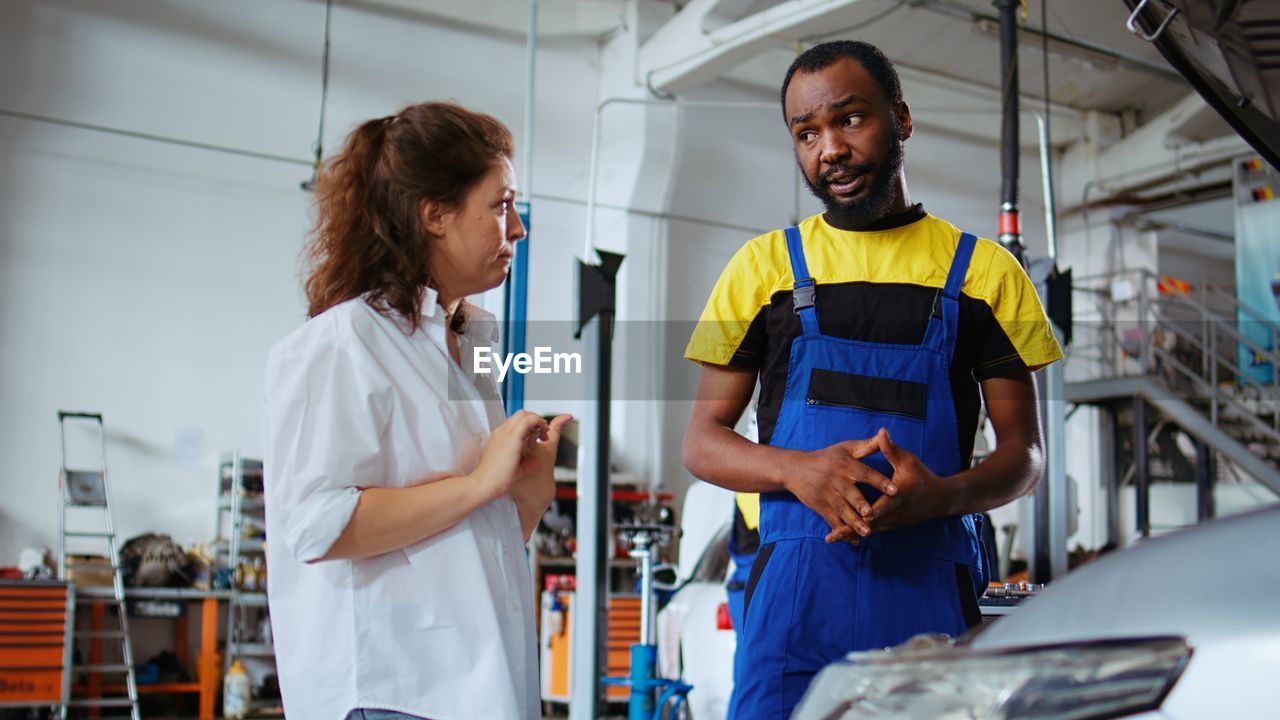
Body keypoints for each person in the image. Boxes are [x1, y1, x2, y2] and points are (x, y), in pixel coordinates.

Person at [682, 41, 1064, 718]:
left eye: (850, 119)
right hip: (796, 600)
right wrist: (800, 472)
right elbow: (702, 443)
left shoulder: (984, 275)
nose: (829, 148)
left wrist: (942, 496)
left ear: (901, 119)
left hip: (931, 591)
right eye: (806, 134)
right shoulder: (762, 268)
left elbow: (1023, 457)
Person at [263, 102, 570, 720]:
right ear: (435, 214)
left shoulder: (464, 346)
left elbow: (451, 542)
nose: (518, 230)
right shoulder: (344, 342)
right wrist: (483, 482)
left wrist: (521, 504)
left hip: (473, 689)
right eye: (501, 205)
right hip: (393, 693)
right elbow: (317, 525)